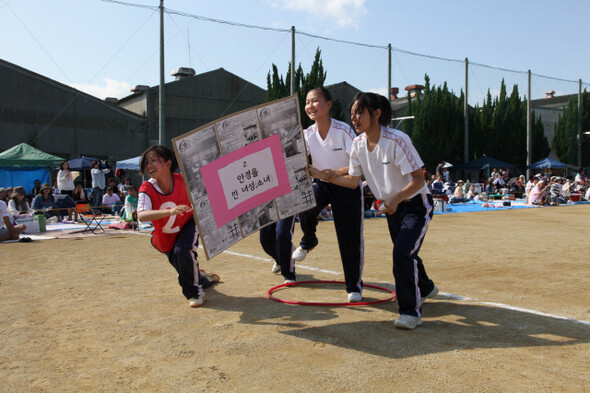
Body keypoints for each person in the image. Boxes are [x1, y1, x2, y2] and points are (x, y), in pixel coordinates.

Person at [307, 92, 437, 330]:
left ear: (377, 113)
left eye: (360, 112)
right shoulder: (357, 145)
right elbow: (352, 181)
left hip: (416, 206)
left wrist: (397, 197)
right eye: (352, 113)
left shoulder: (398, 140)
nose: (354, 118)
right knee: (407, 252)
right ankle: (426, 286)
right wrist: (318, 174)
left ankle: (410, 312)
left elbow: (419, 180)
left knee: (401, 253)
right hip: (392, 209)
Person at [291, 87, 364, 303]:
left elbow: (357, 164)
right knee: (305, 207)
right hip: (322, 183)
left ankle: (354, 287)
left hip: (346, 184)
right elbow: (296, 159)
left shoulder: (343, 131)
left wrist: (336, 172)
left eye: (315, 101)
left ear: (329, 105)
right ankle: (308, 240)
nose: (310, 106)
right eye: (307, 102)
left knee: (349, 238)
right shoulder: (307, 134)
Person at [136, 145, 218, 308]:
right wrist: (171, 211)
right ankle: (203, 278)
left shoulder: (184, 181)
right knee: (185, 270)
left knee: (184, 251)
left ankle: (195, 294)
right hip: (165, 238)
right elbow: (141, 215)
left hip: (187, 223)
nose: (149, 166)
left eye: (154, 161)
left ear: (168, 163)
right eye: (147, 162)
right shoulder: (147, 187)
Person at [260, 216, 297, 283]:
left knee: (282, 235)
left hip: (285, 206)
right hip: (265, 207)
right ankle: (280, 260)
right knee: (265, 240)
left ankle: (289, 274)